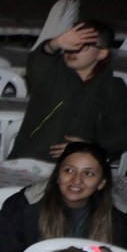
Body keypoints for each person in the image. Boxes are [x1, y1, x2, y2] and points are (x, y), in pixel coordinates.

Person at [11, 20, 127, 161]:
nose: (73, 50)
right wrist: (54, 44)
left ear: (101, 54)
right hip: (32, 158)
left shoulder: (113, 88)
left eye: (83, 46)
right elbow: (38, 62)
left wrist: (89, 146)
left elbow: (121, 134)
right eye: (71, 44)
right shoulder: (51, 73)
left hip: (81, 164)